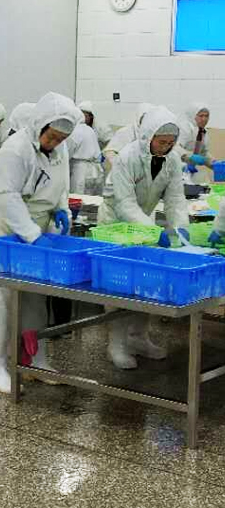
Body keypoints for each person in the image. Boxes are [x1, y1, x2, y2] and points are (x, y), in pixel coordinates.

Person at [0, 92, 82, 395]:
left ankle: (35, 359)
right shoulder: (15, 150)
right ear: (40, 125)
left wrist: (61, 209)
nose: (55, 143)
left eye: (61, 139)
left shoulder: (59, 148)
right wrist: (32, 235)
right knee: (0, 296)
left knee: (36, 296)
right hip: (4, 229)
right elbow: (6, 197)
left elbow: (60, 184)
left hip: (37, 227)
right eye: (52, 136)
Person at [99, 106, 189, 370]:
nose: (166, 147)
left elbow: (175, 199)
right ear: (148, 137)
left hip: (143, 225)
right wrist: (153, 231)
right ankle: (116, 345)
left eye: (170, 143)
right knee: (118, 287)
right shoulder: (127, 157)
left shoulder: (172, 160)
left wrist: (180, 229)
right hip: (115, 225)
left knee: (143, 285)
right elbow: (125, 204)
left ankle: (138, 338)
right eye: (162, 142)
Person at [103, 103, 154, 172]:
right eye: (144, 118)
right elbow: (110, 152)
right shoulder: (125, 132)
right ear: (138, 116)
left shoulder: (153, 133)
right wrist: (122, 168)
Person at [66, 113, 104, 195]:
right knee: (92, 198)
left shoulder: (74, 131)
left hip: (80, 171)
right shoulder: (90, 129)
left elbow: (67, 154)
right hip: (95, 171)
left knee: (78, 197)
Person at [177, 102, 214, 179]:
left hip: (189, 171)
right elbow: (175, 147)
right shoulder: (184, 128)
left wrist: (214, 163)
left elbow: (204, 153)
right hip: (177, 167)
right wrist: (189, 156)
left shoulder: (203, 132)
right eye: (201, 116)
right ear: (193, 116)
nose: (204, 119)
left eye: (206, 116)